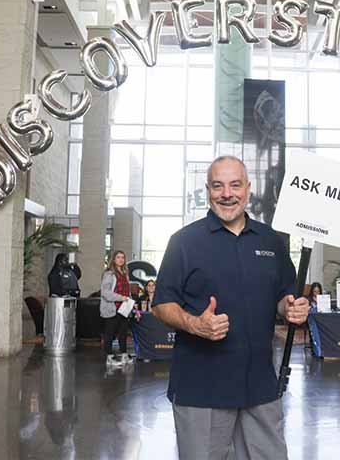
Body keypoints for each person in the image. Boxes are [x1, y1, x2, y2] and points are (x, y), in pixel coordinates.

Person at [152, 155, 310, 460]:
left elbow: (283, 296)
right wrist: (194, 324)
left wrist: (291, 307)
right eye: (218, 185)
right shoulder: (184, 242)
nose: (227, 193)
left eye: (235, 185)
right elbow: (161, 304)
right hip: (202, 388)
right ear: (208, 190)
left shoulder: (272, 240)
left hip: (260, 386)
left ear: (248, 189)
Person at [100, 250, 135, 366]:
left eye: (123, 257)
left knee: (123, 333)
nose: (121, 259)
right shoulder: (109, 274)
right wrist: (121, 298)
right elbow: (105, 293)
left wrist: (131, 303)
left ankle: (124, 354)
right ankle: (109, 357)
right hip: (112, 308)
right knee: (109, 333)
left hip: (124, 309)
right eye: (118, 257)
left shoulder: (125, 273)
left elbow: (127, 292)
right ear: (114, 259)